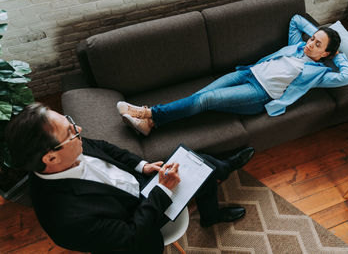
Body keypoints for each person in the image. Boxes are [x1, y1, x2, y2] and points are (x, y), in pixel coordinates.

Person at [5, 102, 255, 254]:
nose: (79, 130)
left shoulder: (71, 145)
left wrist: (142, 165)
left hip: (142, 185)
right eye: (71, 132)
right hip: (142, 221)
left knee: (196, 164)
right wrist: (163, 191)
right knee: (201, 169)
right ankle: (224, 168)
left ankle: (213, 202)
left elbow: (104, 147)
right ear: (50, 158)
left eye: (71, 123)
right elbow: (134, 236)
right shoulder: (66, 219)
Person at [116, 14, 348, 136]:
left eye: (317, 45)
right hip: (248, 73)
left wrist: (336, 54)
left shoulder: (320, 74)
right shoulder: (297, 45)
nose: (310, 44)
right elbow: (295, 20)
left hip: (258, 94)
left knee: (206, 101)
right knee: (201, 94)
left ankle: (148, 113)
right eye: (312, 39)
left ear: (327, 53)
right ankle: (151, 124)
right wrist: (319, 33)